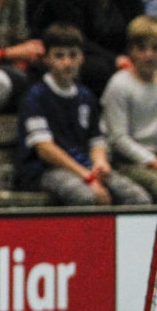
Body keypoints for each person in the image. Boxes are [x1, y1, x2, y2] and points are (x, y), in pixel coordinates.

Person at [16, 22, 149, 206]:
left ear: (82, 58)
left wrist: (100, 163)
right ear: (46, 59)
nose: (67, 62)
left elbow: (96, 140)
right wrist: (86, 176)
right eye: (59, 56)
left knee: (138, 198)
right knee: (87, 197)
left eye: (73, 55)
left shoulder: (86, 96)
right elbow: (45, 149)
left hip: (84, 166)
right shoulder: (36, 96)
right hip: (44, 171)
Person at [102, 16, 157, 198]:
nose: (149, 55)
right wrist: (150, 160)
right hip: (126, 162)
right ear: (131, 51)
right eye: (142, 49)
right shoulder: (119, 84)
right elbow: (118, 139)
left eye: (155, 48)